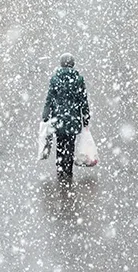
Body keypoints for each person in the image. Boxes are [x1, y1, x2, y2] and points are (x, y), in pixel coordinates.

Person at [42, 53, 90, 182]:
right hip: (73, 118)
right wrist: (85, 116)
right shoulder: (79, 80)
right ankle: (68, 170)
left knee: (60, 143)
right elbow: (83, 101)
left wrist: (45, 115)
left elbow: (49, 99)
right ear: (73, 64)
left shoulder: (55, 79)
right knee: (70, 144)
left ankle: (60, 168)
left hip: (58, 118)